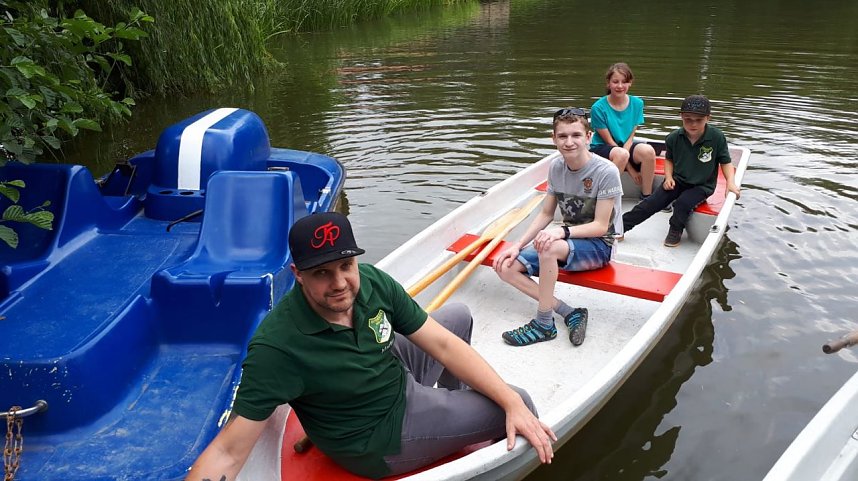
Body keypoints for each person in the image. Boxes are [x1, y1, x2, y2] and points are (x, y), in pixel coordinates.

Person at [185, 212, 556, 481]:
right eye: (321, 272)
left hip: (390, 377)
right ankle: (474, 437)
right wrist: (511, 404)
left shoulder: (372, 282)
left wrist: (505, 400)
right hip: (377, 437)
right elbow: (227, 452)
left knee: (458, 317)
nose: (339, 283)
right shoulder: (277, 348)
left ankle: (458, 415)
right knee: (521, 403)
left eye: (345, 265)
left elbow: (442, 343)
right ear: (298, 275)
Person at [493, 108, 623, 347]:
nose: (569, 142)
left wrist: (560, 232)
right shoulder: (555, 167)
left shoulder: (606, 171)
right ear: (553, 139)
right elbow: (546, 213)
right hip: (567, 240)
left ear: (588, 137)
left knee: (549, 247)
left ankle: (544, 324)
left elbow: (601, 226)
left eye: (576, 135)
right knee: (505, 267)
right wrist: (517, 245)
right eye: (562, 136)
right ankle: (569, 312)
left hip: (599, 245)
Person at [622, 94, 741, 247]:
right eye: (688, 119)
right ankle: (621, 226)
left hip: (702, 185)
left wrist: (730, 182)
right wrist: (668, 177)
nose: (693, 124)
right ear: (681, 117)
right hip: (677, 180)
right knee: (651, 202)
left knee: (682, 203)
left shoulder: (716, 137)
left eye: (699, 120)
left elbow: (725, 162)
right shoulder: (673, 138)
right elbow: (669, 159)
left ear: (708, 118)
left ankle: (675, 229)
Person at [589, 62, 657, 199]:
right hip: (603, 147)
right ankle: (603, 198)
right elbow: (609, 141)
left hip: (624, 146)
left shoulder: (637, 103)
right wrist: (631, 169)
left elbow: (630, 136)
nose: (620, 86)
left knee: (648, 152)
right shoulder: (598, 108)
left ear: (630, 83)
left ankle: (646, 196)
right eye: (615, 82)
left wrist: (626, 152)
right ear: (608, 83)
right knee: (621, 154)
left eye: (624, 82)